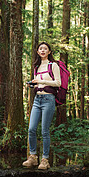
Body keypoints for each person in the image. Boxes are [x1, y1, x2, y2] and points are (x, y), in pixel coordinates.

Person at [22, 42, 61, 170]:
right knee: (31, 129)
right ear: (38, 52)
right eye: (40, 49)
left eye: (45, 49)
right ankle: (33, 157)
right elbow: (38, 83)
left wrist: (41, 81)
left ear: (49, 51)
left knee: (44, 131)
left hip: (48, 99)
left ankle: (45, 160)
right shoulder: (36, 67)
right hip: (37, 100)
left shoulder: (53, 65)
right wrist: (33, 84)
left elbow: (58, 83)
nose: (43, 50)